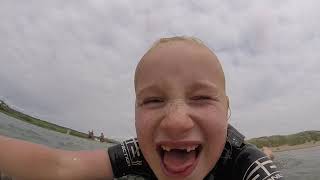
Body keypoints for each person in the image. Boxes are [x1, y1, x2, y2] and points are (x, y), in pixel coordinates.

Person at [0, 36, 284, 180]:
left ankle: (269, 149)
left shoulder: (246, 162)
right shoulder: (140, 153)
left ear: (227, 112)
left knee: (264, 153)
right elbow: (61, 167)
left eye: (201, 98)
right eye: (153, 101)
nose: (175, 122)